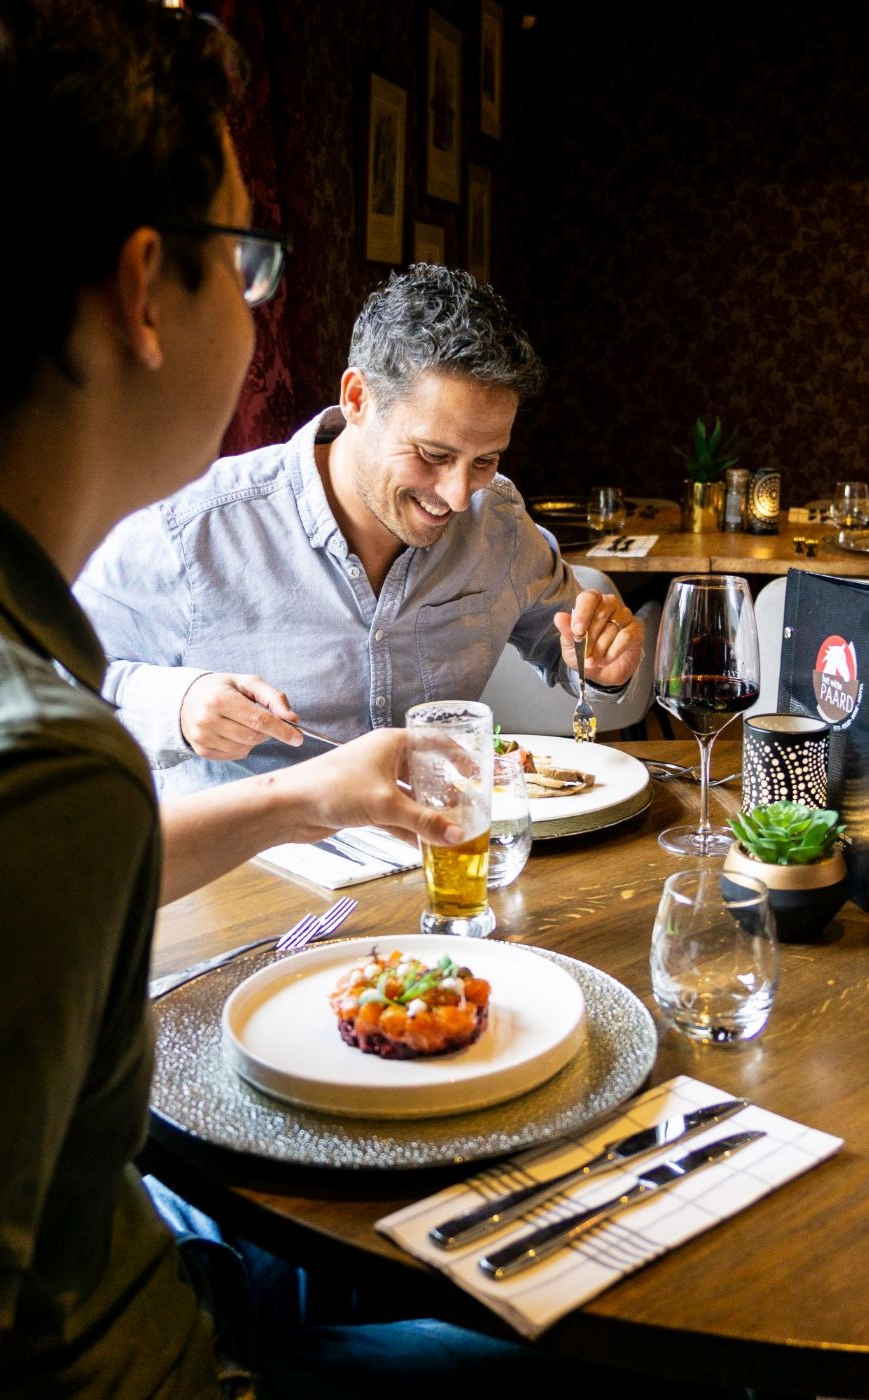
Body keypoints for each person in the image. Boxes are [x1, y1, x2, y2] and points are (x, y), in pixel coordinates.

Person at [0, 5, 571, 1396]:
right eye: (245, 261)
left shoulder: (41, 676)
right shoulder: (55, 756)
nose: (255, 313)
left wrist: (310, 790)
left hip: (165, 1219)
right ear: (147, 291)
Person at [75, 264, 646, 796]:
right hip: (251, 885)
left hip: (441, 871)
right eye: (431, 453)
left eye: (485, 459)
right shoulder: (191, 531)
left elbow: (574, 656)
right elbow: (41, 685)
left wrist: (602, 669)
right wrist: (175, 704)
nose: (456, 495)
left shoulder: (496, 522)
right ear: (356, 398)